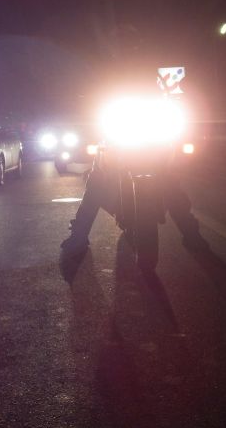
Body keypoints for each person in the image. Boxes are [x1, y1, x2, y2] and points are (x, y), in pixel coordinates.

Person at [60, 26, 208, 261]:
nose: (128, 47)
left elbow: (169, 96)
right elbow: (91, 99)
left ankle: (192, 233)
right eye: (123, 42)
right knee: (97, 179)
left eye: (130, 43)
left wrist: (175, 112)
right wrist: (89, 114)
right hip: (118, 133)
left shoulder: (151, 68)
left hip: (152, 133)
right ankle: (78, 235)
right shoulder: (103, 68)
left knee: (170, 181)